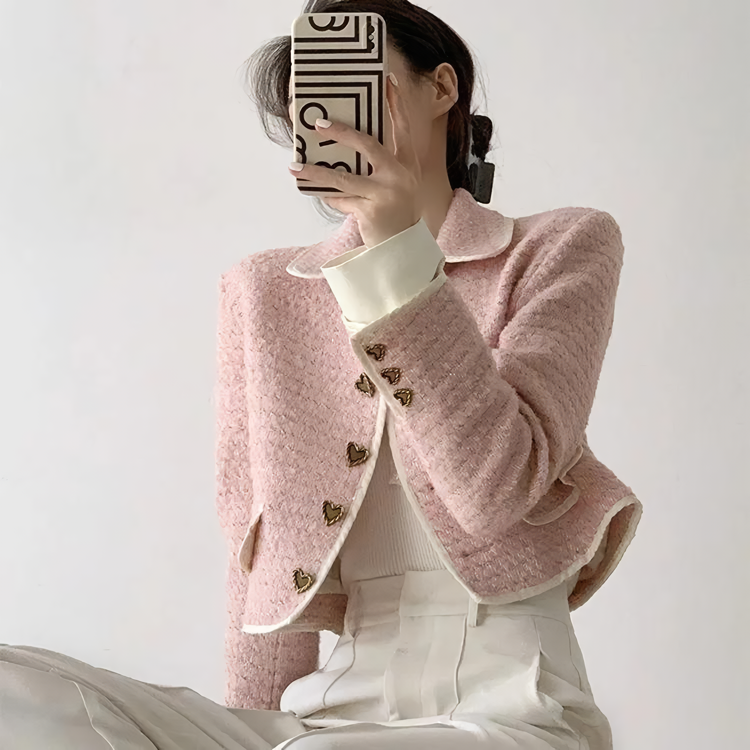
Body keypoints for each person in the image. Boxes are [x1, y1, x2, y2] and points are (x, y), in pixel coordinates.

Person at [0, 1, 642, 748]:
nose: (331, 115)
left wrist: (397, 255)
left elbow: (494, 489)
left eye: (353, 82)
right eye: (310, 102)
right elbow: (258, 548)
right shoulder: (263, 289)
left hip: (508, 702)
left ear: (441, 88)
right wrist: (246, 726)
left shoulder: (561, 247)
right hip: (328, 711)